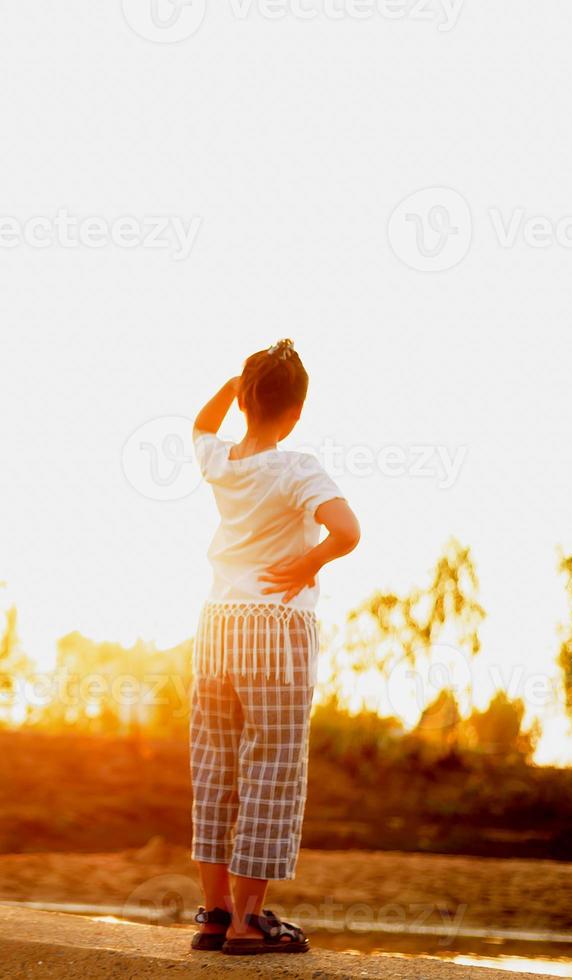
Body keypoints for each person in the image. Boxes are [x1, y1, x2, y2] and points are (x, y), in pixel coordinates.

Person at [186, 339, 361, 956]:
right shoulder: (297, 468)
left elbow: (201, 425)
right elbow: (348, 531)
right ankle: (247, 921)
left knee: (215, 768)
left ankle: (214, 912)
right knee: (272, 770)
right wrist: (309, 562)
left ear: (247, 400)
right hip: (276, 630)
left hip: (216, 627)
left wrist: (237, 384)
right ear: (297, 412)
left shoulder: (222, 460)